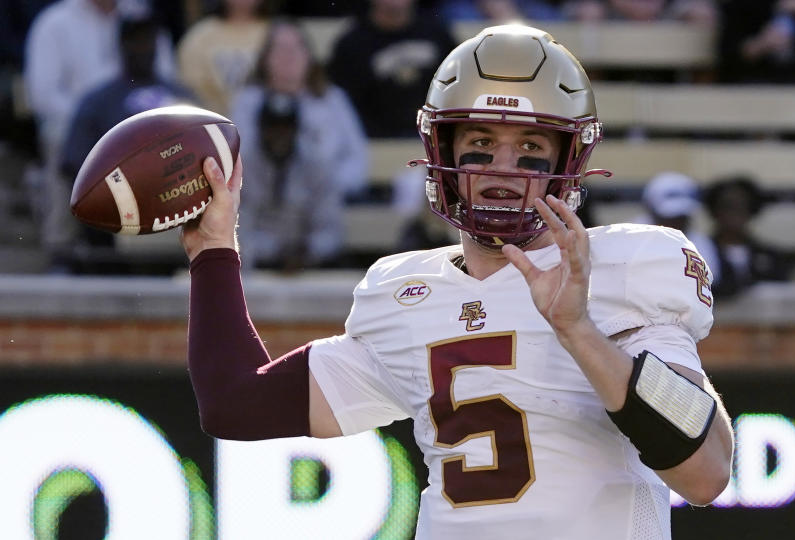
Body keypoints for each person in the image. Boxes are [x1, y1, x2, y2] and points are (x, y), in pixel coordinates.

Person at [182, 24, 733, 539]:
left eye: (531, 149)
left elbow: (705, 473)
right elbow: (236, 402)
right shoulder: (404, 295)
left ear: (571, 159)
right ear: (441, 153)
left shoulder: (627, 267)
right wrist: (213, 248)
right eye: (481, 145)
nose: (503, 168)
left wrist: (579, 331)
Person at [59, 14, 194, 273]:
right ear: (121, 45)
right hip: (116, 210)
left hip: (172, 207)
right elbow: (73, 163)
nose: (142, 47)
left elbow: (205, 158)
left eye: (147, 39)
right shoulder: (98, 101)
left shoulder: (182, 97)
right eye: (134, 40)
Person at [230, 19, 368, 270]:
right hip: (261, 208)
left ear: (310, 56)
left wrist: (323, 185)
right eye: (279, 50)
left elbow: (357, 160)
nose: (288, 57)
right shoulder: (247, 101)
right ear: (264, 58)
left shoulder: (332, 99)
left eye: (296, 49)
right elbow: (237, 162)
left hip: (323, 204)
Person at [327, 0, 457, 137]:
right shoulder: (351, 44)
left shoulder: (438, 33)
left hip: (435, 138)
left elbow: (457, 86)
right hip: (373, 142)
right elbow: (343, 106)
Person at [699, 175, 790, 298]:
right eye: (728, 206)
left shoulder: (772, 257)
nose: (735, 212)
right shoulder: (699, 255)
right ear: (714, 210)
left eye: (742, 206)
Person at [176, 0, 270, 115]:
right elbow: (189, 88)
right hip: (211, 123)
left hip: (268, 125)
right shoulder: (199, 36)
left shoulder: (276, 32)